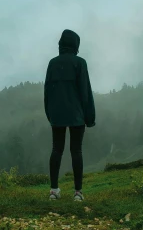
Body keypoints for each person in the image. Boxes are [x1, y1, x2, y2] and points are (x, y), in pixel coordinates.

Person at [44, 29, 96, 201]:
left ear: (61, 44)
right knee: (76, 151)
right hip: (76, 115)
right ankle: (78, 193)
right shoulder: (80, 63)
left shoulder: (52, 63)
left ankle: (54, 191)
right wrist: (90, 118)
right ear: (75, 45)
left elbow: (47, 92)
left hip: (57, 115)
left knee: (56, 149)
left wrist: (50, 114)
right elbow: (85, 92)